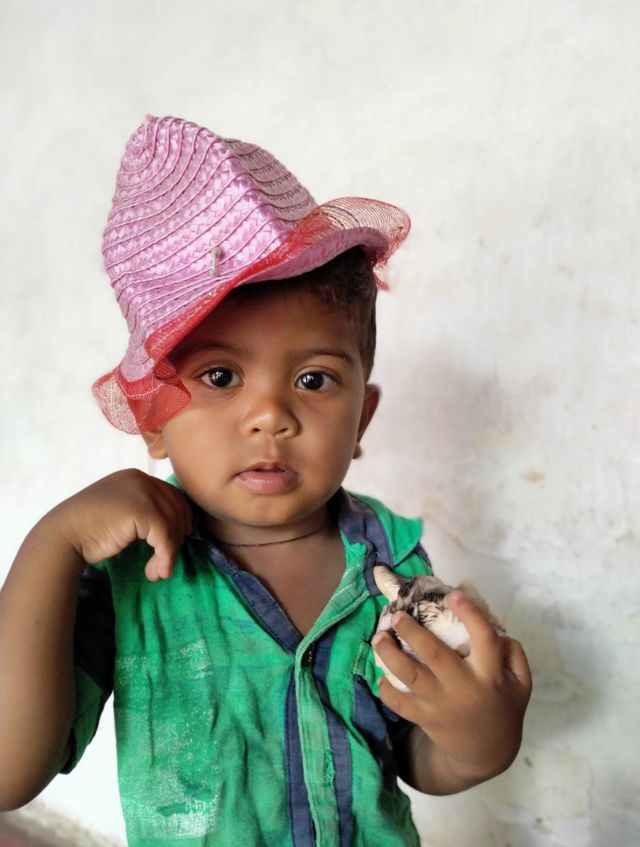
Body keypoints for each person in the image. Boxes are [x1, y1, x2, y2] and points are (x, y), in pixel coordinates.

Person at [0, 116, 532, 846]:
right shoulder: (128, 574)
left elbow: (413, 752)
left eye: (314, 379)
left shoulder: (388, 558)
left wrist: (479, 742)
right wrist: (51, 543)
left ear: (362, 417)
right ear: (153, 422)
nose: (271, 415)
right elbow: (9, 771)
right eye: (220, 376)